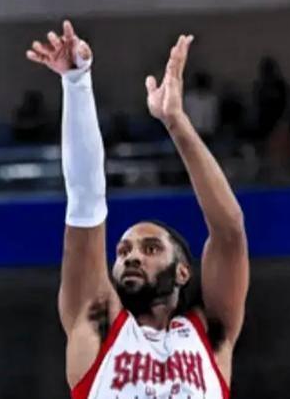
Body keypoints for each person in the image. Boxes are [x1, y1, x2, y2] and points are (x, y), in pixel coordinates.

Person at [26, 20, 249, 399]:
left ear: (183, 270)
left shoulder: (210, 336)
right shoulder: (97, 323)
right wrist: (77, 84)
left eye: (150, 248)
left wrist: (176, 123)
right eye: (123, 251)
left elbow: (229, 232)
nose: (130, 257)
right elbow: (85, 201)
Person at [184, 71, 219, 144]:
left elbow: (214, 116)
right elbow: (185, 113)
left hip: (207, 133)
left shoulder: (212, 99)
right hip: (191, 131)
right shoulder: (189, 98)